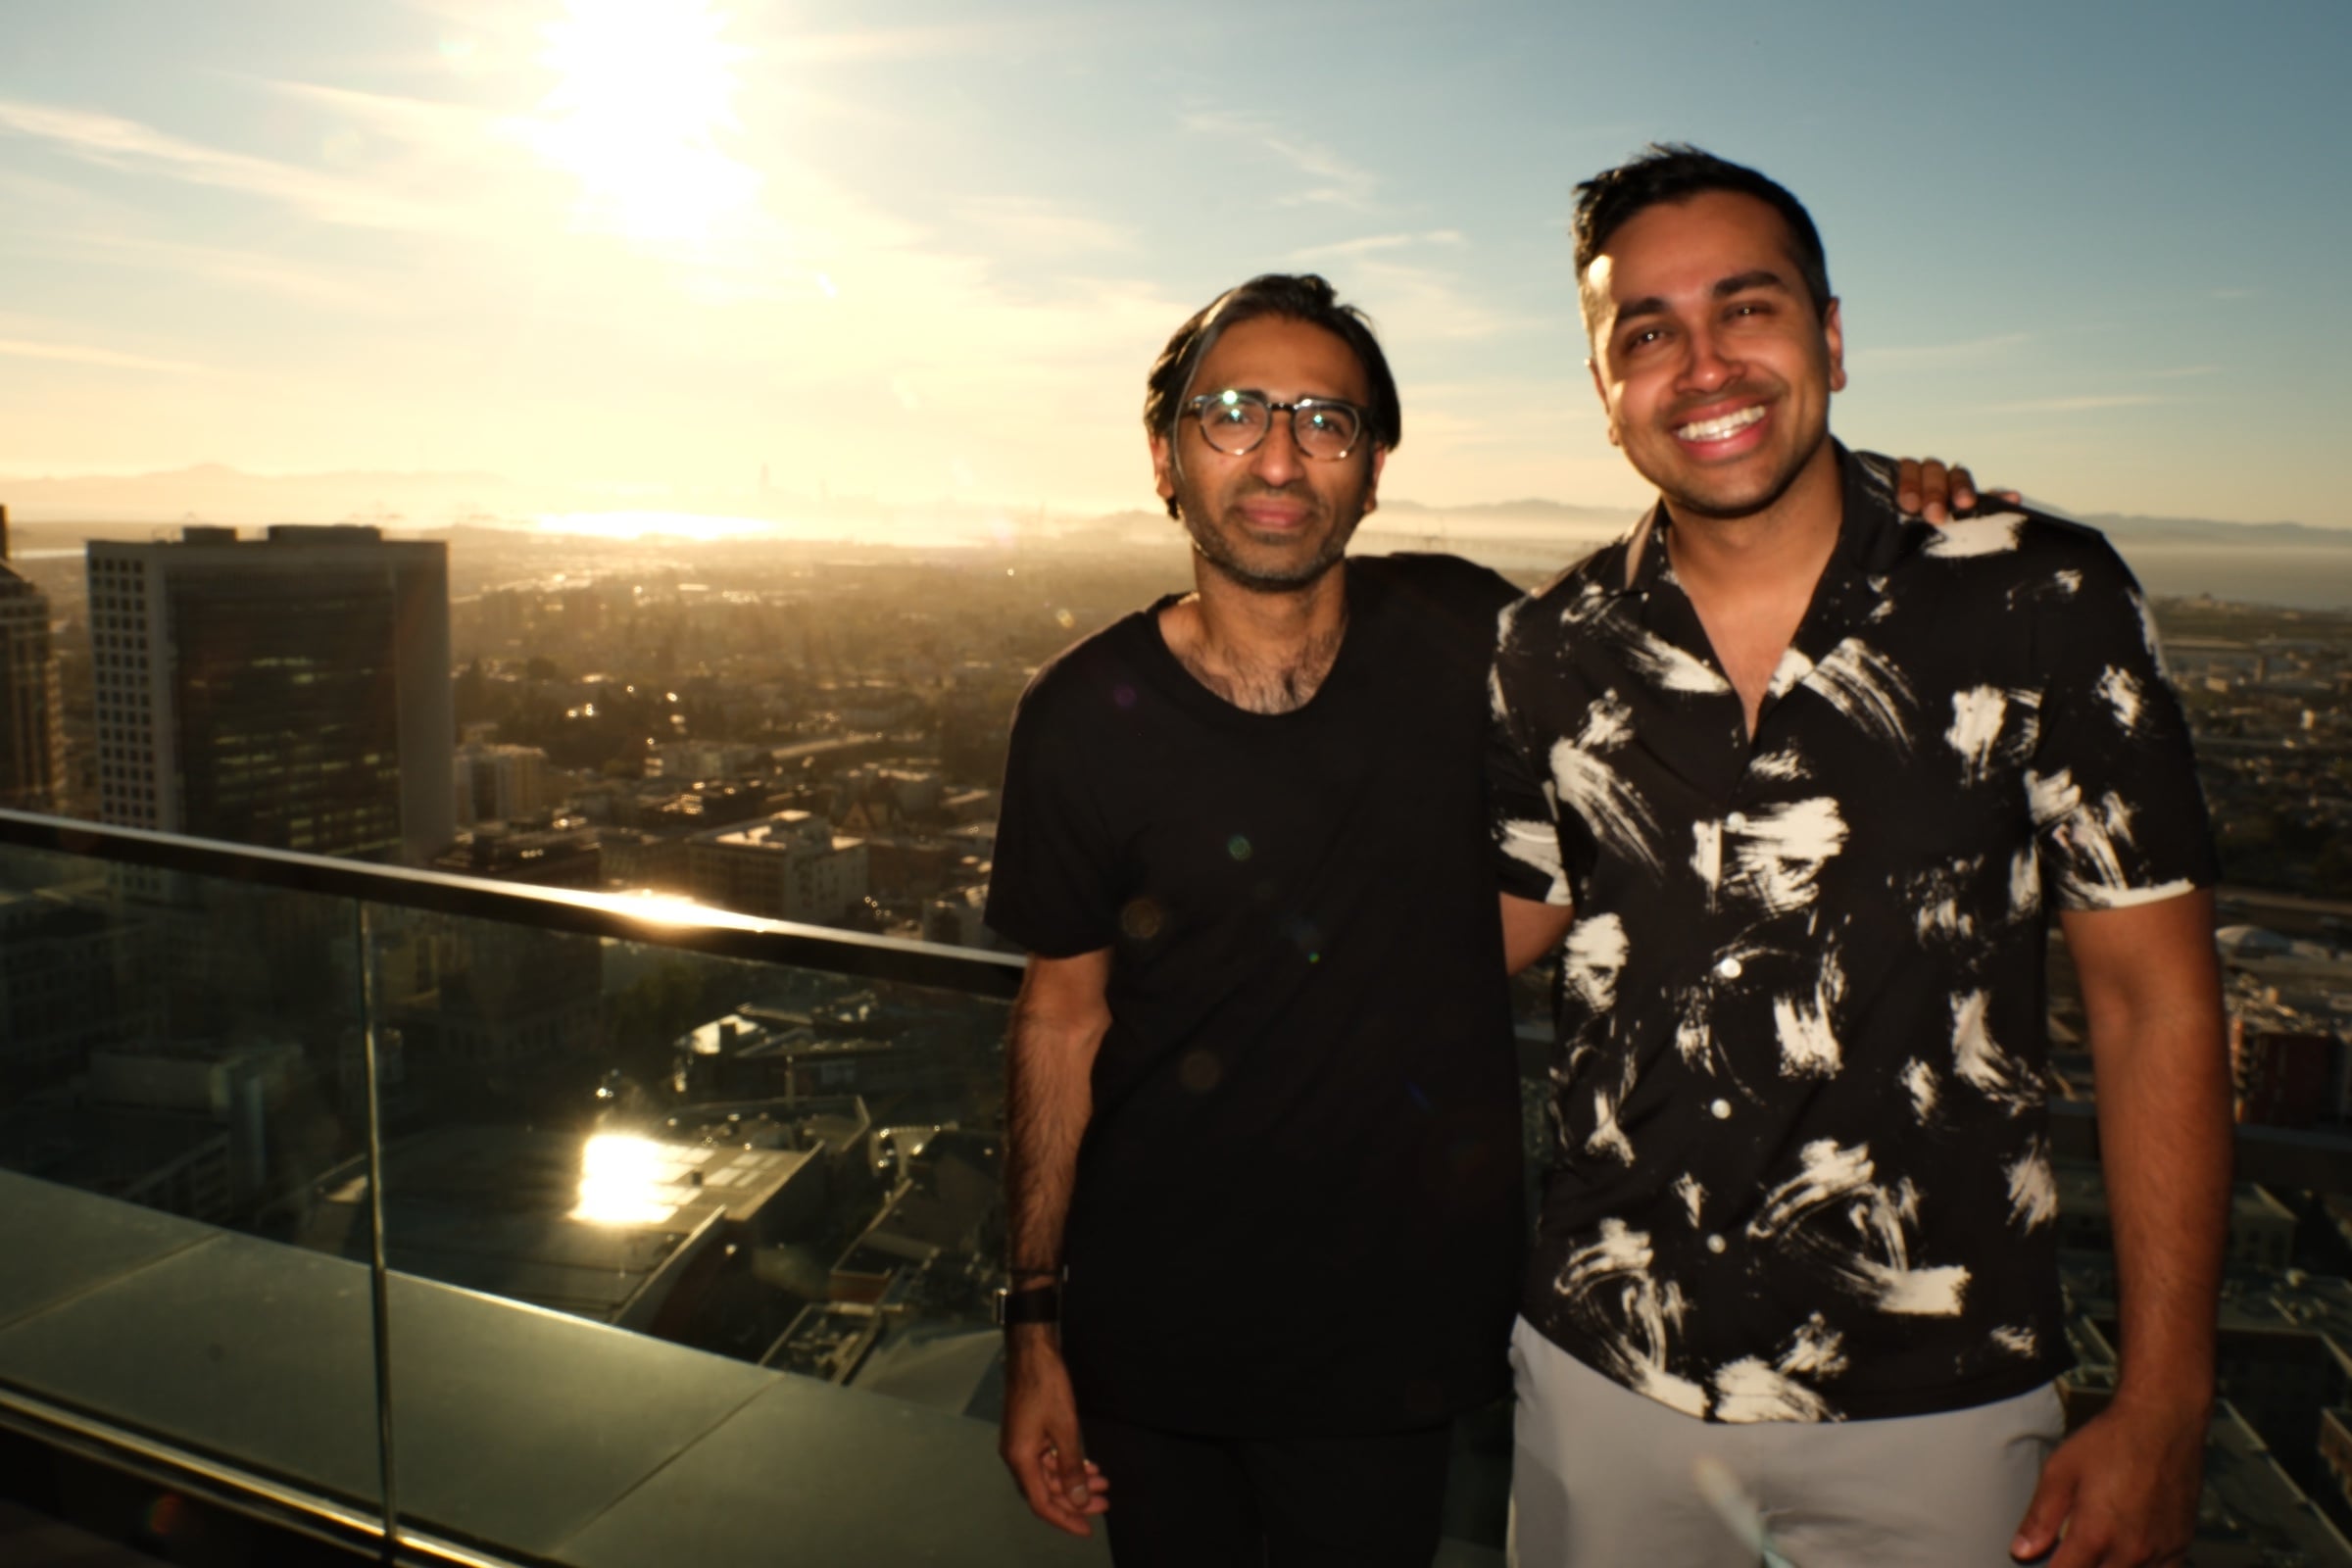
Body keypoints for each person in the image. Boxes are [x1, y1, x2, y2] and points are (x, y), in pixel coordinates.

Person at [986, 270, 1985, 1566]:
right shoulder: (1078, 720)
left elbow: (1693, 630)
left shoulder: (1466, 636)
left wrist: (1865, 501)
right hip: (1152, 1331)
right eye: (1232, 413)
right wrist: (1033, 1325)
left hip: (1387, 1339)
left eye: (1325, 420)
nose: (1281, 455)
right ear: (1168, 458)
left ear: (1374, 467)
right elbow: (1061, 1022)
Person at [1489, 145, 2228, 1567]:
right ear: (1603, 393)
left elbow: (2157, 1007)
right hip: (1604, 1372)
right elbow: (1485, 928)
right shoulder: (1548, 649)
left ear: (1830, 335)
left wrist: (2168, 1400)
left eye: (1746, 309)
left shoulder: (2034, 596)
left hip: (1937, 1397)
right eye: (1645, 332)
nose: (1701, 364)